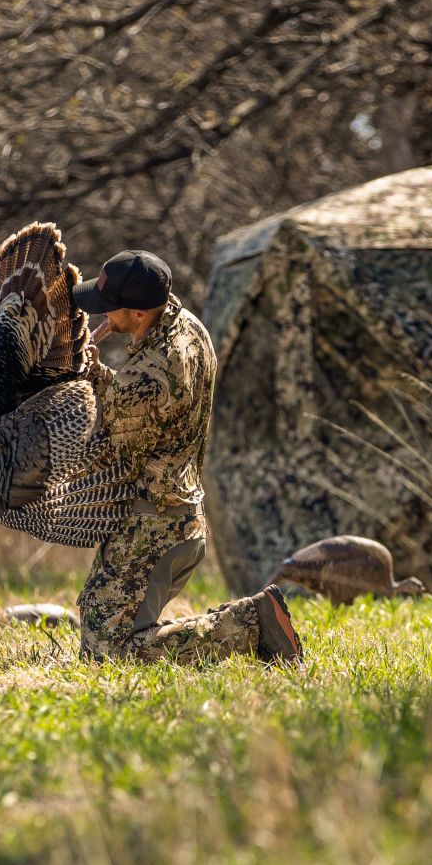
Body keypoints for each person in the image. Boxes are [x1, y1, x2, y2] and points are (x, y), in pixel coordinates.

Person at [72, 250, 303, 664]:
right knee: (102, 629)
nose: (102, 316)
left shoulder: (151, 373)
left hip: (154, 526)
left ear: (140, 314)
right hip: (177, 517)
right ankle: (251, 622)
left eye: (111, 309)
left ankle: (252, 622)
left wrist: (88, 371)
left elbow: (114, 449)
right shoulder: (187, 325)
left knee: (109, 652)